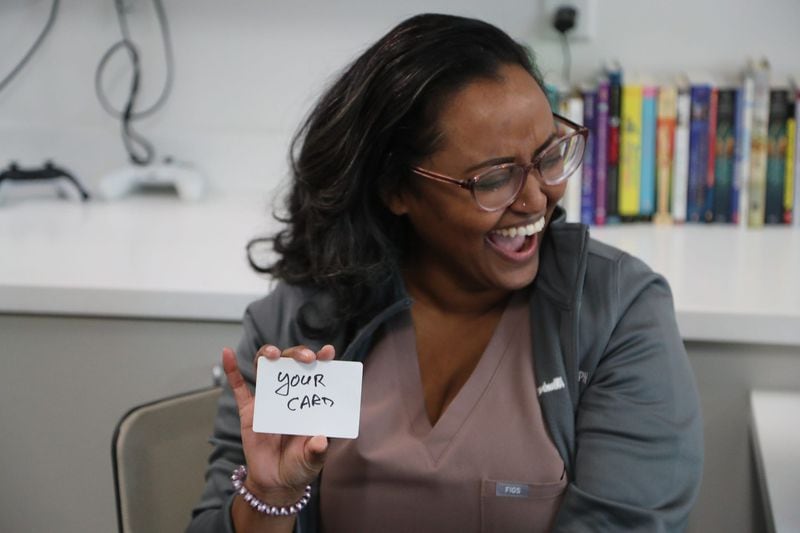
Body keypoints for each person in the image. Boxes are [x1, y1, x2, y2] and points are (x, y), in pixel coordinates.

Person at [188, 13, 703, 533]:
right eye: (495, 177)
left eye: (549, 155)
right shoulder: (305, 320)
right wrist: (270, 496)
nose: (536, 198)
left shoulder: (616, 311)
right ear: (395, 189)